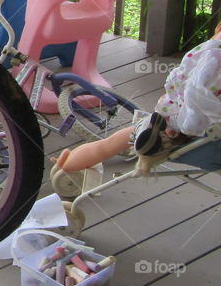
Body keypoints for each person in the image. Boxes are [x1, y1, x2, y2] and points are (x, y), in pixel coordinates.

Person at [55, 22, 221, 175]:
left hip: (173, 118)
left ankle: (69, 161)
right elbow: (197, 97)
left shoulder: (207, 56)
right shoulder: (211, 64)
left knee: (109, 145)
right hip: (197, 131)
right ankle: (68, 163)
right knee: (109, 145)